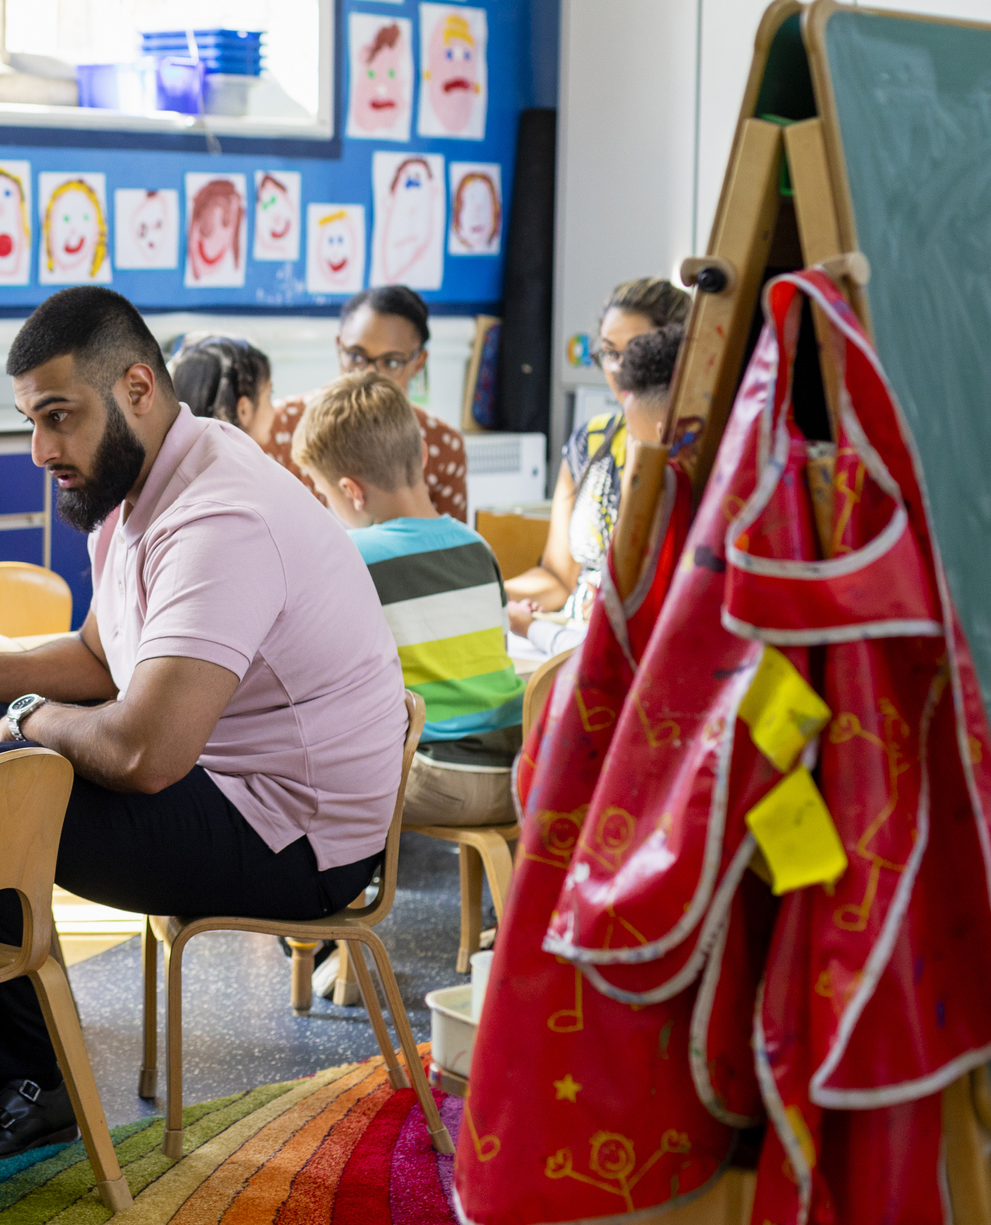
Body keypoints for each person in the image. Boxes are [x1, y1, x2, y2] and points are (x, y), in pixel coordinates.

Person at [0, 288, 404, 1165]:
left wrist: (30, 719)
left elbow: (144, 753)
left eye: (58, 417)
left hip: (300, 841)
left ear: (138, 388)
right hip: (238, 790)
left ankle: (25, 1082)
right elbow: (104, 657)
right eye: (29, 421)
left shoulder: (218, 516)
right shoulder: (139, 480)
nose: (40, 450)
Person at [293, 372, 523, 830]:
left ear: (351, 491)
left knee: (294, 774)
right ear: (419, 455)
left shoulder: (354, 557)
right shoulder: (478, 547)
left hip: (433, 782)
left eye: (323, 494)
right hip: (518, 778)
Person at [504, 279, 690, 632]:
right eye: (609, 352)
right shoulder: (590, 441)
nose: (618, 369)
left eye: (633, 352)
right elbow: (557, 577)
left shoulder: (696, 448)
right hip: (569, 637)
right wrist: (490, 594)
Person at [264, 285, 472, 522]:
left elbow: (446, 548)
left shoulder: (443, 445)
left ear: (419, 362)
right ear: (338, 346)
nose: (368, 374)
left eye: (391, 362)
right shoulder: (280, 422)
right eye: (355, 357)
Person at [165, 334, 277, 450]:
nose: (274, 409)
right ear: (244, 411)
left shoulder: (166, 463)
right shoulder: (253, 467)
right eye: (269, 394)